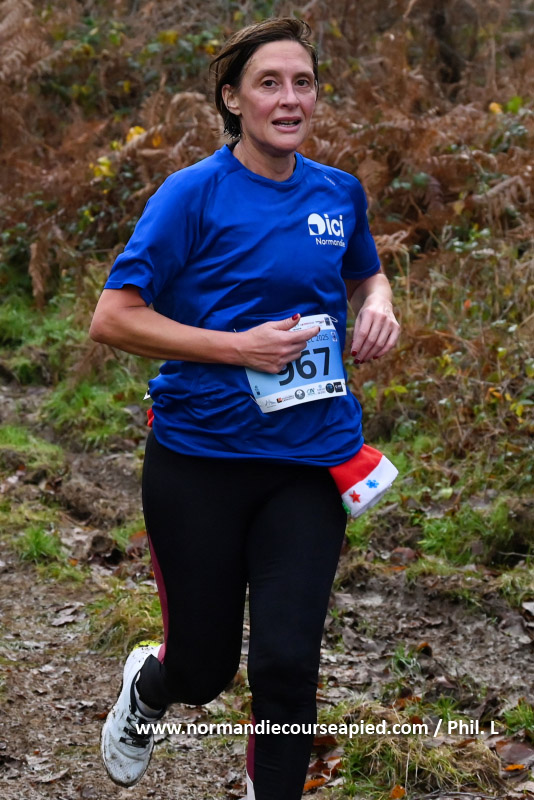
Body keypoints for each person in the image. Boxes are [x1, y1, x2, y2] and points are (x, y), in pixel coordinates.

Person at [89, 16, 400, 800]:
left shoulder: (338, 192)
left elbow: (365, 272)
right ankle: (150, 687)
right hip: (201, 459)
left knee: (288, 664)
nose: (290, 99)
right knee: (204, 668)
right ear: (233, 99)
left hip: (311, 459)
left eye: (303, 83)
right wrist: (238, 349)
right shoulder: (191, 195)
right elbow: (114, 318)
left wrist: (379, 302)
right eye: (269, 83)